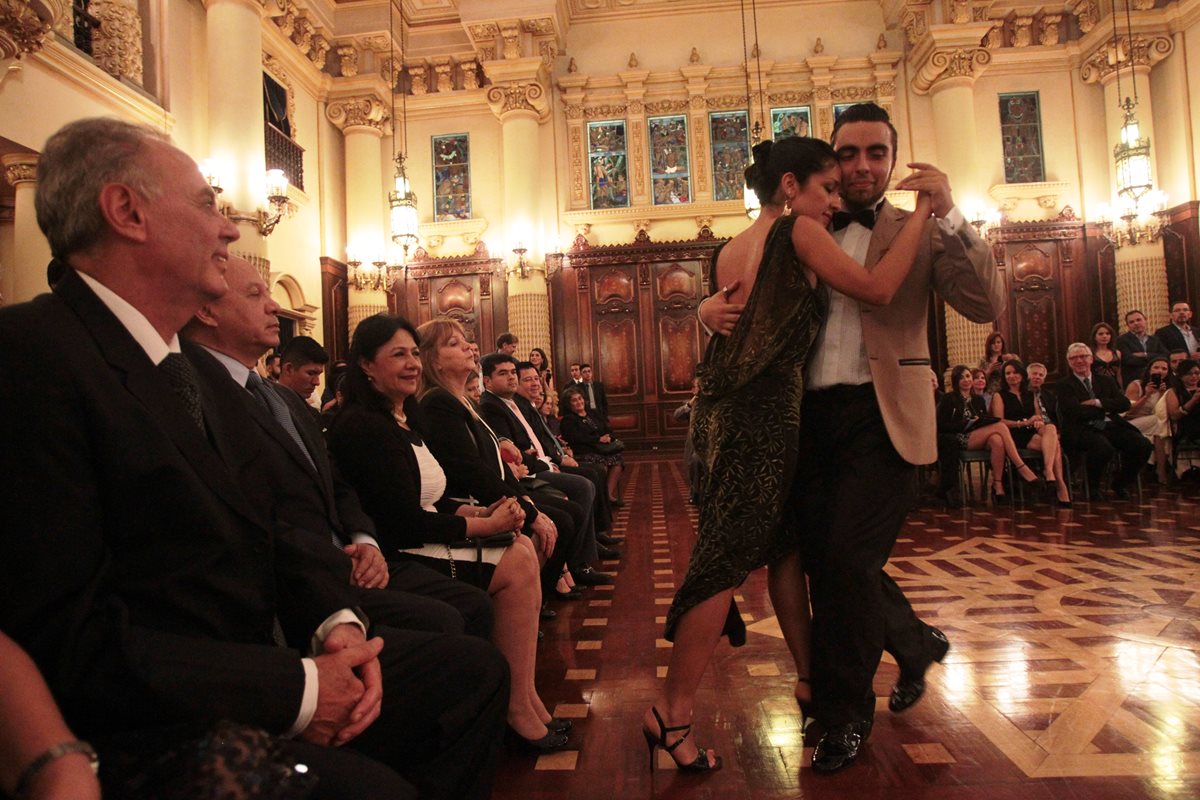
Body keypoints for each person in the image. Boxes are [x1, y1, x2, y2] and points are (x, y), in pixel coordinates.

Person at [0, 117, 508, 800]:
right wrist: (298, 690)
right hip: (157, 713)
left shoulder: (198, 372)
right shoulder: (32, 358)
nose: (231, 229)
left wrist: (337, 632)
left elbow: (284, 522)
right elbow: (66, 633)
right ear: (127, 212)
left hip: (273, 652)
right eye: (207, 204)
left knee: (471, 675)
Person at [701, 103, 1004, 773]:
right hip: (806, 419)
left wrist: (950, 213)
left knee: (842, 560)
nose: (862, 165)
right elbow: (742, 302)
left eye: (876, 153)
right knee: (830, 560)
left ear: (893, 162)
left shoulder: (916, 229)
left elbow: (986, 305)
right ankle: (912, 640)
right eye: (849, 153)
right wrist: (702, 309)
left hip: (885, 415)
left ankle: (842, 717)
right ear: (829, 160)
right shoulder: (801, 225)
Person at [653, 129, 938, 776]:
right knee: (720, 565)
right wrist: (923, 213)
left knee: (787, 549)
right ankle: (670, 715)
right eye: (827, 186)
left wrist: (701, 312)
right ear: (791, 187)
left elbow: (733, 321)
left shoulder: (731, 250)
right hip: (763, 416)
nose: (836, 200)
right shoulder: (799, 232)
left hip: (731, 411)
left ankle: (810, 685)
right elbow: (879, 288)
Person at [183, 256, 496, 638]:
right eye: (255, 294)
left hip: (351, 555)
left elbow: (336, 485)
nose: (275, 306)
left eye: (415, 353)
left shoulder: (285, 401)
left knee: (473, 608)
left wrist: (363, 540)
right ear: (206, 310)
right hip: (295, 579)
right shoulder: (196, 394)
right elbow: (252, 511)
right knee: (454, 623)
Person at [326, 314, 571, 752]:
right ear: (366, 364)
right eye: (398, 354)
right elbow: (401, 520)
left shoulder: (407, 416)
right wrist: (482, 524)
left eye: (414, 353)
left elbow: (433, 499)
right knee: (515, 556)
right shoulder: (364, 425)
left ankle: (525, 695)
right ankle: (514, 709)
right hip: (400, 548)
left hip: (425, 532)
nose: (411, 364)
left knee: (518, 547)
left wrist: (476, 509)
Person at [1055, 342, 1154, 499]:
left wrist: (1098, 402)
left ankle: (1120, 483)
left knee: (1143, 445)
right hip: (1083, 429)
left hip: (1111, 426)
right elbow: (1074, 411)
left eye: (1083, 356)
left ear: (1091, 359)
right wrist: (1105, 410)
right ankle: (1092, 487)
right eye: (1074, 358)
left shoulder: (1106, 381)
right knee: (1103, 448)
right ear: (1069, 362)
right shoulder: (1063, 385)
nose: (1079, 361)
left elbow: (1124, 404)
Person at [937, 365, 1039, 503]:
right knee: (1001, 427)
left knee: (997, 439)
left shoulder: (978, 399)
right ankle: (1020, 466)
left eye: (968, 376)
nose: (966, 380)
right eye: (961, 378)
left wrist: (979, 422)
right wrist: (965, 423)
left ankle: (998, 485)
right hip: (959, 437)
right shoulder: (949, 398)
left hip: (979, 434)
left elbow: (985, 420)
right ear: (956, 381)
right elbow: (941, 425)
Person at [990, 359, 1072, 505]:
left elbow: (1037, 415)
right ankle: (1059, 484)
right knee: (1055, 446)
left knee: (1051, 429)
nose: (1011, 376)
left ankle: (1048, 472)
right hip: (1011, 434)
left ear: (1022, 375)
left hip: (1030, 432)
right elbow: (999, 421)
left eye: (1015, 372)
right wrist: (1023, 423)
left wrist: (1038, 420)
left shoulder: (1029, 394)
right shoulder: (999, 395)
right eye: (1007, 373)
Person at [560, 388, 625, 506]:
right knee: (601, 466)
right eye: (574, 400)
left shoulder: (592, 413)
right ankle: (602, 499)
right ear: (569, 404)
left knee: (618, 461)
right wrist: (597, 439)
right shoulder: (568, 419)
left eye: (580, 398)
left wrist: (608, 437)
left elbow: (606, 428)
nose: (578, 402)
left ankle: (607, 496)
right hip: (584, 450)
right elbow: (576, 438)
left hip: (601, 448)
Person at [1123, 356, 1172, 484]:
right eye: (1156, 367)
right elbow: (1128, 412)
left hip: (1155, 425)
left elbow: (1162, 410)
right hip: (1132, 422)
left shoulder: (1168, 388)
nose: (1159, 371)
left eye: (1164, 368)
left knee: (1159, 430)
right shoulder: (1137, 385)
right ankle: (1160, 471)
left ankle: (1159, 469)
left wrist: (1162, 394)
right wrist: (1146, 395)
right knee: (1159, 422)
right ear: (1149, 369)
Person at [1115, 310, 1168, 388]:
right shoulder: (1121, 340)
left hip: (1156, 380)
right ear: (1128, 325)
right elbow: (1128, 359)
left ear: (1145, 320)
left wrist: (1145, 354)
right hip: (1134, 380)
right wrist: (1154, 359)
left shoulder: (1154, 339)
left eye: (1138, 320)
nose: (1136, 323)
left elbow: (1165, 355)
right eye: (1131, 322)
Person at [277, 335, 329, 411]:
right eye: (311, 373)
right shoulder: (268, 409)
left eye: (318, 374)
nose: (317, 382)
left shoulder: (312, 413)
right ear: (289, 369)